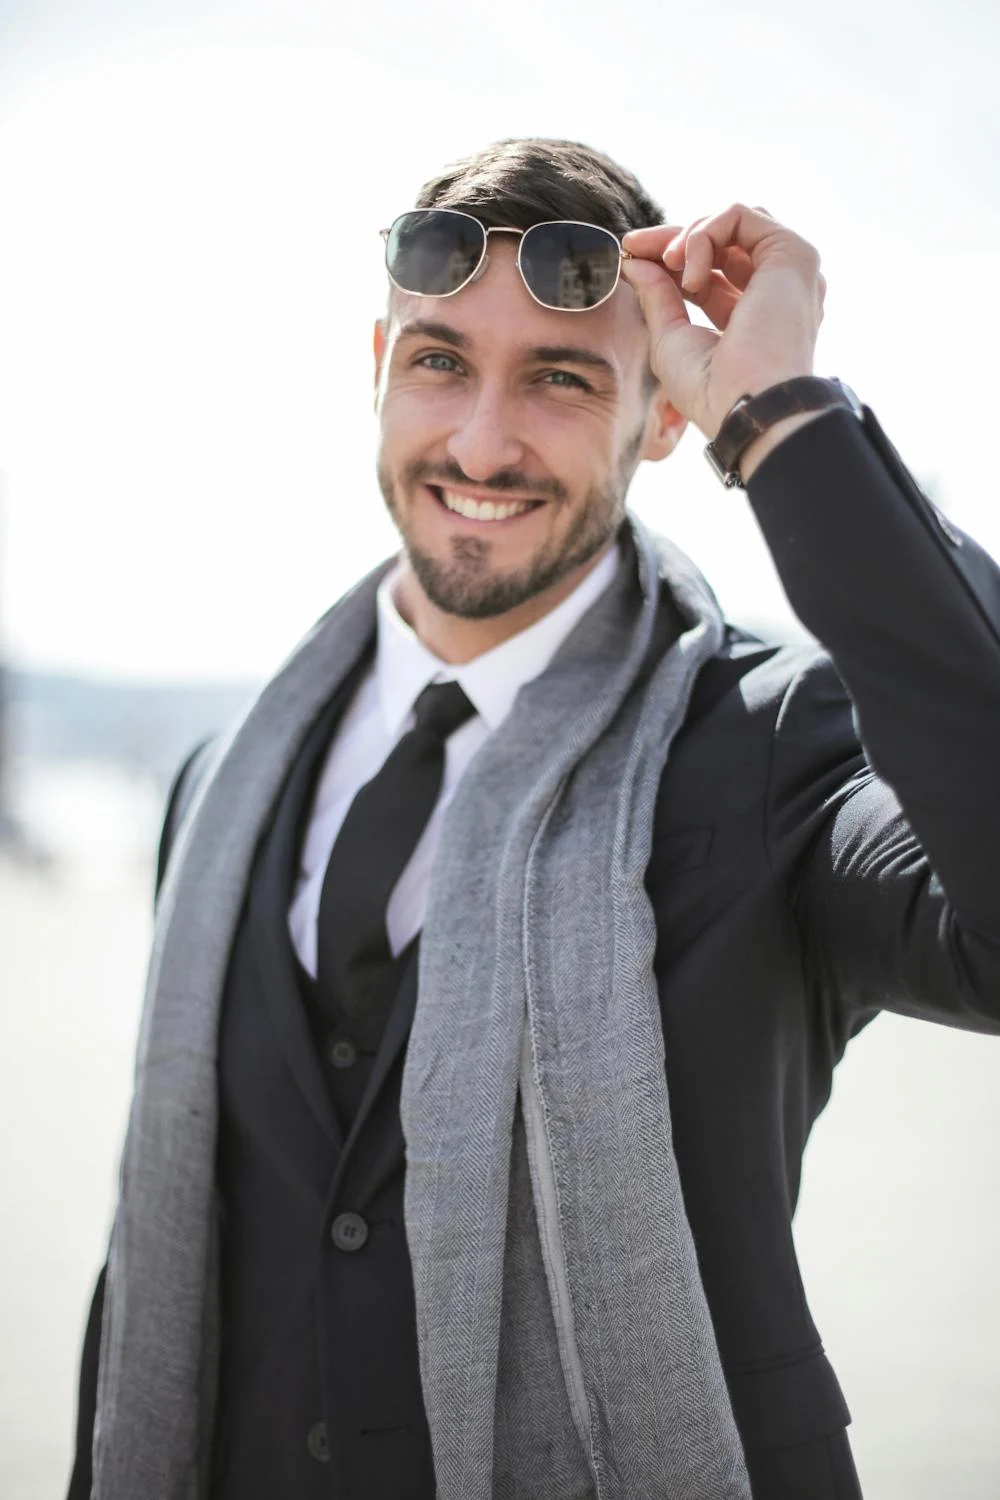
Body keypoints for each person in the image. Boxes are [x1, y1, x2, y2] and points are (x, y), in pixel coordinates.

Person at [68, 137, 1000, 1500]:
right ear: (376, 365)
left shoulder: (770, 744)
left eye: (562, 378)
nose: (483, 441)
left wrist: (787, 422)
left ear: (666, 419)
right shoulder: (221, 778)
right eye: (440, 359)